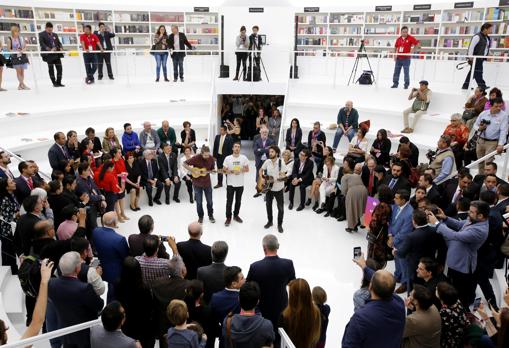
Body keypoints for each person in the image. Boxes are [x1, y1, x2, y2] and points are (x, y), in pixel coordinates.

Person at [428, 201, 489, 307]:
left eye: (471, 212)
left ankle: (461, 308)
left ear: (480, 215)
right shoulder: (474, 220)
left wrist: (437, 224)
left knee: (460, 291)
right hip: (456, 260)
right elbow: (460, 224)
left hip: (462, 265)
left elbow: (455, 235)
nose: (468, 213)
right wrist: (445, 218)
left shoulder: (480, 230)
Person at [342, 260, 405, 348]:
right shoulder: (399, 303)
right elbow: (383, 282)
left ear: (370, 286)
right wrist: (364, 267)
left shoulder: (360, 318)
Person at [48, 251, 104, 348]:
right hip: (84, 333)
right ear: (77, 268)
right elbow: (99, 305)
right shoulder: (84, 288)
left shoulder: (51, 284)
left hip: (65, 330)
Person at [247, 234, 295, 334]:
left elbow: (248, 289)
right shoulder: (288, 264)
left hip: (262, 310)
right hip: (282, 307)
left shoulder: (255, 267)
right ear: (277, 246)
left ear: (264, 248)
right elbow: (292, 284)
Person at [116, 257, 156, 348]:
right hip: (142, 324)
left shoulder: (118, 284)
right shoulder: (144, 288)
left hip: (126, 323)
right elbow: (149, 307)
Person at [151, 255, 189, 348]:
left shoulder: (157, 282)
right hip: (180, 323)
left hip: (162, 322)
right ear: (182, 271)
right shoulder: (187, 286)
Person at [223, 281, 274, 347]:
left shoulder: (227, 322)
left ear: (238, 299)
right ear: (257, 302)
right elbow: (270, 344)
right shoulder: (266, 325)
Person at [92, 212, 130, 297]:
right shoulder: (119, 239)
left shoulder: (95, 231)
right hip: (116, 272)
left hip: (102, 267)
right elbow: (126, 257)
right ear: (114, 223)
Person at [279, 278, 321, 348]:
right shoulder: (316, 313)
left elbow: (281, 341)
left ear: (292, 297)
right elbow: (316, 337)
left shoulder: (285, 316)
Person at [210, 266, 245, 347]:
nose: (245, 279)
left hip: (224, 338)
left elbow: (213, 320)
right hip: (241, 339)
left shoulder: (215, 297)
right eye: (242, 278)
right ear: (234, 284)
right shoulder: (243, 298)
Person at [388, 189, 414, 293]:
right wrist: (390, 236)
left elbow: (405, 232)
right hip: (393, 239)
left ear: (403, 200)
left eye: (396, 198)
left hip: (402, 242)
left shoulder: (410, 213)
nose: (394, 199)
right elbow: (390, 222)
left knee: (404, 263)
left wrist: (393, 240)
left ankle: (405, 283)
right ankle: (397, 276)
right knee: (396, 260)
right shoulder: (395, 207)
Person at [474, 97, 508, 174]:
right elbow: (475, 125)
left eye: (500, 106)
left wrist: (500, 144)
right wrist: (479, 128)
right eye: (496, 106)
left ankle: (488, 179)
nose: (499, 108)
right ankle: (481, 178)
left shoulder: (504, 115)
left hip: (492, 143)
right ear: (491, 106)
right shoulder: (483, 113)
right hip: (480, 140)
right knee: (480, 161)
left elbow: (503, 131)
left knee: (488, 163)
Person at [259, 146, 289, 233]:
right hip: (268, 188)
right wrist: (262, 178)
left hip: (278, 189)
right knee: (268, 206)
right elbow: (261, 170)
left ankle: (279, 224)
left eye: (272, 152)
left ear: (276, 153)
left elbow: (285, 178)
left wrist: (277, 179)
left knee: (280, 208)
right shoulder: (267, 161)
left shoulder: (281, 163)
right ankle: (270, 221)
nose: (270, 153)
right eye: (270, 152)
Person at [183, 145, 216, 223]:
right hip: (197, 184)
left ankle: (210, 215)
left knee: (210, 201)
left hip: (207, 183)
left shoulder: (211, 158)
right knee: (199, 202)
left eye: (208, 155)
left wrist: (214, 171)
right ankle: (200, 216)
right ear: (201, 153)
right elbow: (184, 163)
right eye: (205, 155)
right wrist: (192, 170)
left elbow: (212, 169)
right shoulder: (196, 158)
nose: (207, 156)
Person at [222, 142, 249, 226]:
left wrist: (240, 171)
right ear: (232, 148)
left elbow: (247, 169)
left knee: (238, 201)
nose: (237, 148)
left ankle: (236, 215)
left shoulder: (243, 158)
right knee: (229, 202)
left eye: (238, 147)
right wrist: (232, 171)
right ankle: (228, 217)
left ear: (240, 149)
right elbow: (224, 170)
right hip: (230, 184)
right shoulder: (228, 158)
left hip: (240, 184)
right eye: (235, 147)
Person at [436, 281, 469, 348]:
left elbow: (441, 330)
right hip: (461, 335)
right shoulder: (457, 301)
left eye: (437, 289)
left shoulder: (444, 312)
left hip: (451, 341)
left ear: (441, 296)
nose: (435, 289)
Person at [462, 22, 492, 90]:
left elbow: (486, 47)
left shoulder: (487, 37)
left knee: (473, 72)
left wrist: (489, 53)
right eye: (490, 29)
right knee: (478, 72)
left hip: (481, 58)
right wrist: (470, 58)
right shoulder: (477, 36)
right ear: (485, 29)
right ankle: (482, 86)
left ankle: (466, 85)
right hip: (476, 58)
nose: (491, 31)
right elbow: (471, 47)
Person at [0, 178, 19, 273]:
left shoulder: (12, 195)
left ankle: (14, 268)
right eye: (11, 182)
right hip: (7, 230)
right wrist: (17, 214)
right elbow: (6, 218)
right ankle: (11, 269)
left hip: (13, 228)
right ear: (6, 187)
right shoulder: (4, 199)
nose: (14, 183)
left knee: (12, 250)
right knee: (8, 250)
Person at [342, 164, 368, 232]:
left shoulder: (344, 177)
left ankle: (351, 227)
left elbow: (344, 189)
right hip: (364, 191)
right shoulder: (357, 175)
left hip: (353, 191)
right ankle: (357, 223)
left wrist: (345, 195)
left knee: (350, 209)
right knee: (359, 208)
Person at [39, 22, 64, 87]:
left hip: (56, 54)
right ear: (46, 28)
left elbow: (59, 43)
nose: (50, 31)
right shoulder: (41, 34)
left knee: (60, 68)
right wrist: (50, 49)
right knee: (51, 68)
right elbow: (42, 44)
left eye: (51, 29)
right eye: (49, 30)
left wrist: (61, 47)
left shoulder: (55, 35)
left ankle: (59, 82)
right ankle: (54, 83)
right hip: (48, 55)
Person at [7, 24, 30, 90]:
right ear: (13, 32)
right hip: (15, 57)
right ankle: (23, 85)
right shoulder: (9, 39)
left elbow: (25, 47)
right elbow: (9, 49)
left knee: (22, 71)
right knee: (18, 71)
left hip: (22, 56)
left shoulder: (21, 38)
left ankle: (20, 85)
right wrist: (15, 51)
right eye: (16, 31)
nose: (17, 33)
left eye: (18, 31)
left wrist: (23, 50)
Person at [253, 127, 275, 192]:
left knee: (267, 174)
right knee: (258, 174)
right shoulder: (257, 141)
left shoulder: (272, 141)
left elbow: (272, 151)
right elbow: (255, 151)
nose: (264, 133)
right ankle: (258, 186)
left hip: (268, 160)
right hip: (259, 160)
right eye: (263, 132)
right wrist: (266, 149)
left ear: (268, 133)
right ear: (260, 133)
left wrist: (261, 149)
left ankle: (265, 187)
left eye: (266, 132)